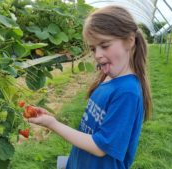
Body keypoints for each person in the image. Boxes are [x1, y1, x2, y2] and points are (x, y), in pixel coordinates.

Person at [28, 5, 152, 169]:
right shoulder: (108, 78)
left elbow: (100, 147)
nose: (98, 54)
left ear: (129, 40)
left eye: (105, 45)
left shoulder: (127, 92)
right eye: (93, 48)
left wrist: (52, 124)